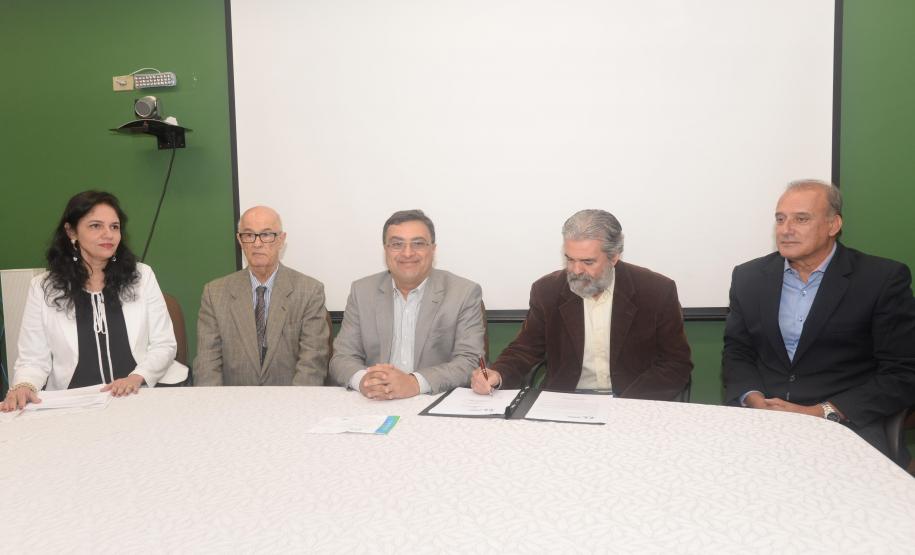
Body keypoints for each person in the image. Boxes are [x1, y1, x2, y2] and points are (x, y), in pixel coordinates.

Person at [722, 180, 915, 465]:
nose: (786, 229)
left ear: (833, 225)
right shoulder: (748, 277)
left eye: (801, 219)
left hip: (847, 424)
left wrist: (822, 411)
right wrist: (753, 399)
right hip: (761, 419)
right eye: (780, 219)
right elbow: (738, 351)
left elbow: (902, 372)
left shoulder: (881, 279)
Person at [471, 209, 692, 399]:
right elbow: (525, 349)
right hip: (567, 400)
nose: (576, 270)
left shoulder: (655, 291)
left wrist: (626, 405)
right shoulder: (548, 290)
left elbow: (676, 364)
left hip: (633, 399)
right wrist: (497, 374)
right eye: (570, 259)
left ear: (614, 257)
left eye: (588, 261)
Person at [1, 190, 184, 411]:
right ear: (71, 231)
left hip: (139, 395)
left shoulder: (141, 276)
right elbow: (32, 359)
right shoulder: (43, 288)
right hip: (74, 404)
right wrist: (24, 385)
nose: (108, 234)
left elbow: (164, 345)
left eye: (114, 227)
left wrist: (136, 377)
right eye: (96, 226)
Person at [329, 209, 485, 399]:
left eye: (418, 243)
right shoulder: (362, 291)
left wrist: (414, 383)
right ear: (386, 250)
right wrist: (365, 381)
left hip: (433, 400)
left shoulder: (463, 293)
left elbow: (470, 361)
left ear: (433, 249)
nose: (408, 253)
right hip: (375, 401)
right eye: (397, 244)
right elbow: (342, 358)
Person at [194, 206, 330, 386]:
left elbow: (312, 363)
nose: (257, 244)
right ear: (240, 241)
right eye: (249, 235)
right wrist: (216, 408)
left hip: (290, 403)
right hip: (232, 403)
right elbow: (207, 363)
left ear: (281, 240)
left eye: (266, 235)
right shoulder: (215, 293)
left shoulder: (309, 291)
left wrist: (295, 409)